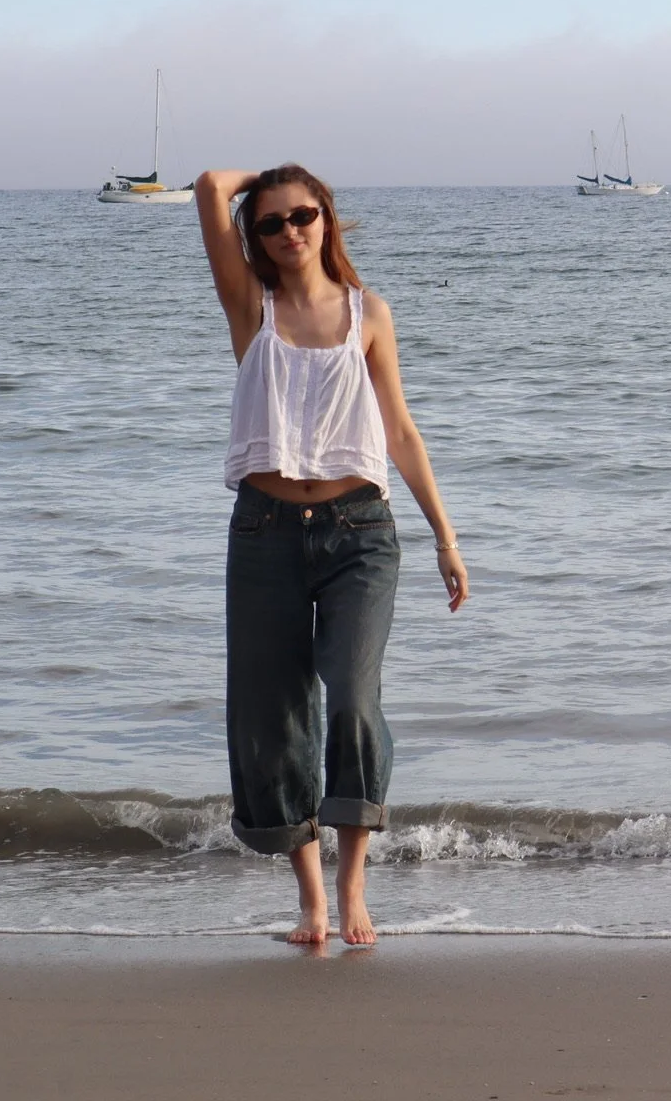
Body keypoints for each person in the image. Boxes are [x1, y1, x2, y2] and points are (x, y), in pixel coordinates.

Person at [194, 164, 469, 946]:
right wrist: (256, 179)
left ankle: (354, 887)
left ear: (327, 218)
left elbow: (403, 434)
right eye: (273, 222)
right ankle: (313, 905)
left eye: (303, 215)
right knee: (272, 719)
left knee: (350, 695)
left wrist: (446, 540)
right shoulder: (252, 306)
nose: (289, 232)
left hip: (361, 533)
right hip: (263, 534)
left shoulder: (368, 314)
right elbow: (213, 185)